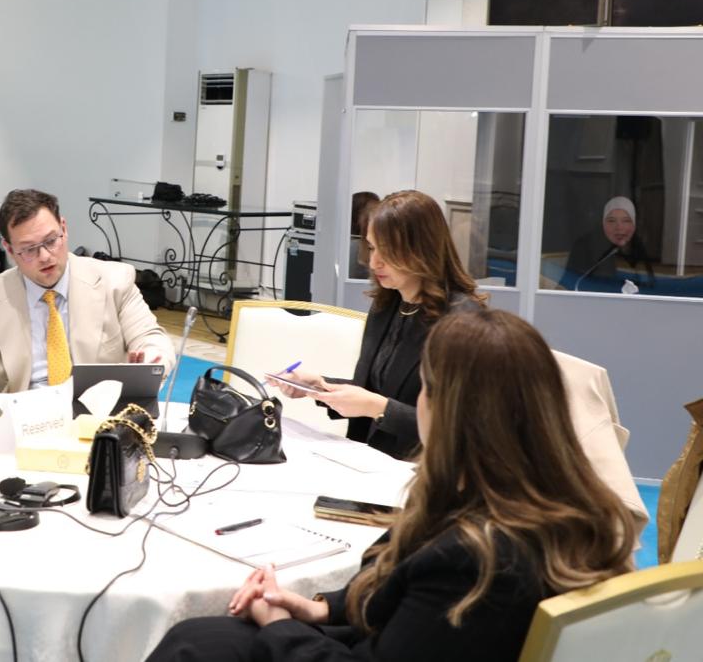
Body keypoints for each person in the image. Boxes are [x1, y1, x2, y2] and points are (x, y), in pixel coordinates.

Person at [146, 309, 636, 662]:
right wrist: (318, 608)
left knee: (195, 644)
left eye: (425, 388)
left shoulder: (473, 558)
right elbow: (400, 592)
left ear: (449, 411)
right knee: (205, 640)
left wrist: (278, 625)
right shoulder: (570, 508)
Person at [279, 190, 485, 460]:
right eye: (372, 247)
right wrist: (320, 386)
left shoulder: (462, 321)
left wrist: (378, 407)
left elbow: (457, 429)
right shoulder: (387, 305)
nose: (373, 262)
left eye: (387, 251)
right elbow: (378, 391)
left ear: (422, 249)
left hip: (422, 470)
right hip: (369, 460)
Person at [0, 188, 174, 396]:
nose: (45, 256)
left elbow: (152, 338)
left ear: (64, 229)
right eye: (29, 249)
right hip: (22, 415)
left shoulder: (114, 281)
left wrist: (151, 361)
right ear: (9, 249)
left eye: (50, 241)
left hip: (98, 413)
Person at [564, 195, 655, 292]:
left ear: (634, 225)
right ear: (603, 224)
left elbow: (648, 282)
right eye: (611, 221)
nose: (619, 227)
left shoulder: (637, 246)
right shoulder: (584, 247)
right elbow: (572, 285)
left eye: (626, 221)